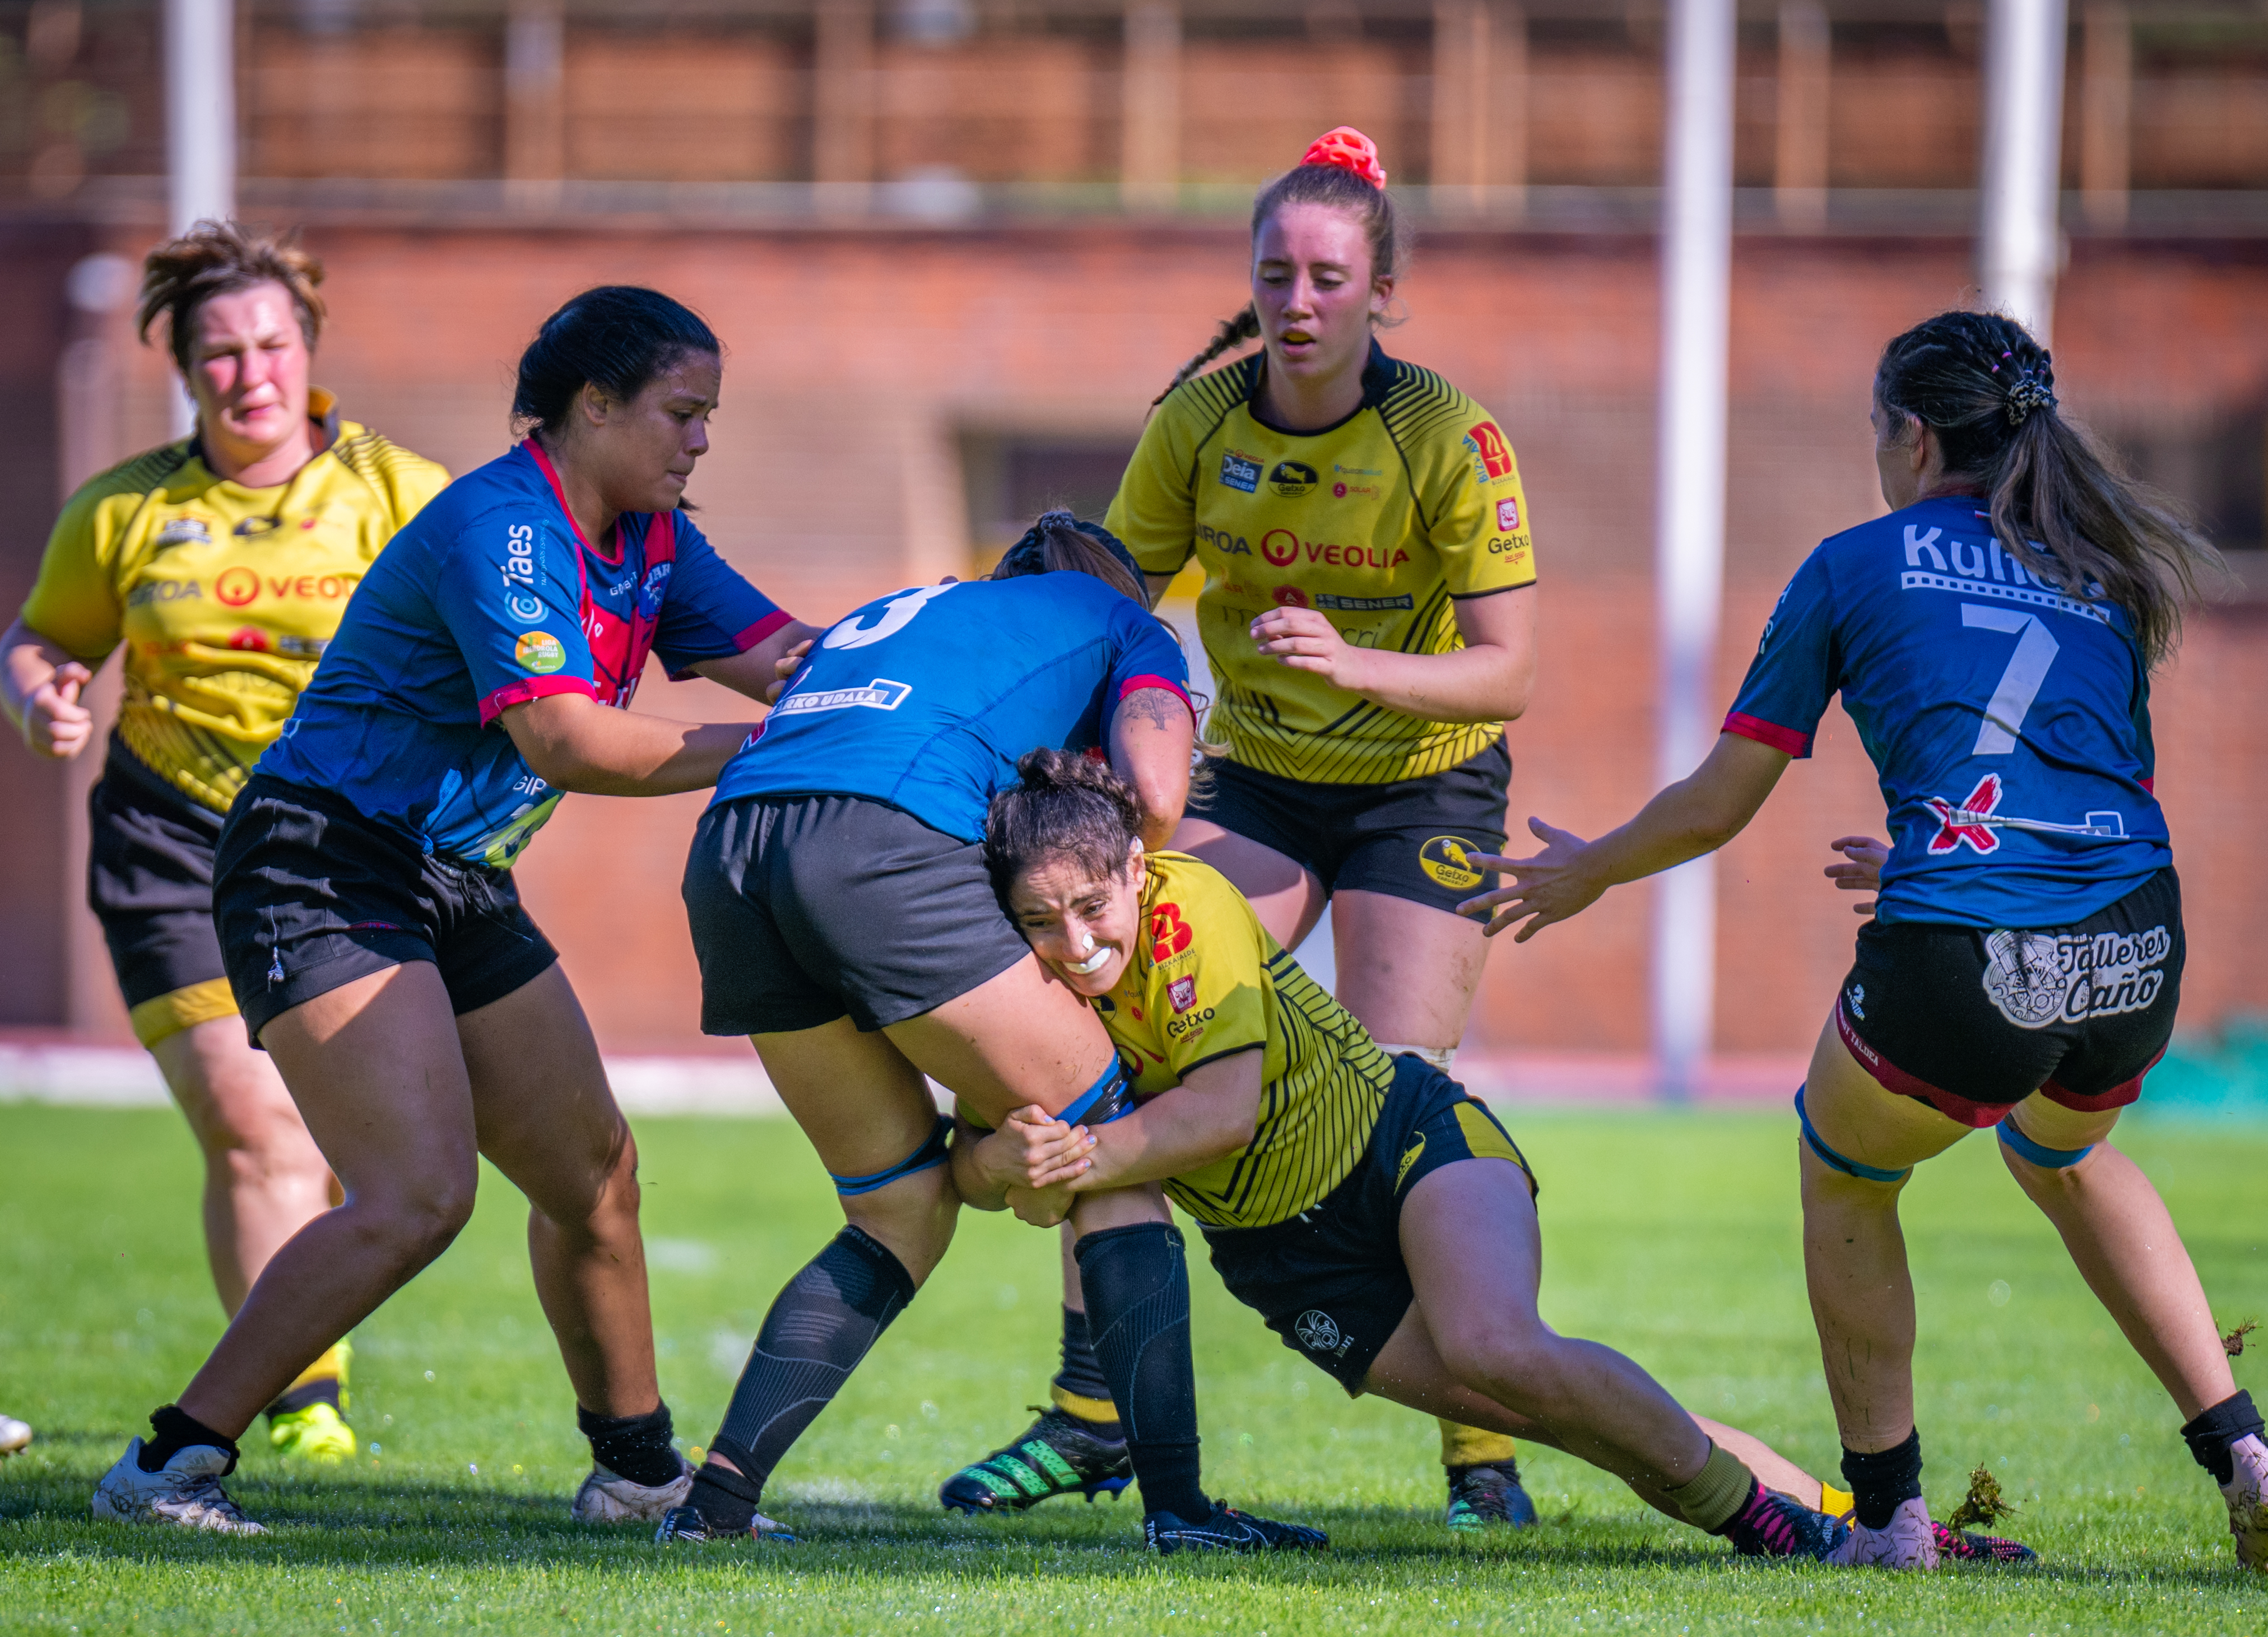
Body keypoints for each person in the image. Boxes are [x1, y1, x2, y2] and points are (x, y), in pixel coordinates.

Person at [1458, 310, 2268, 1574]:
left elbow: (1719, 799)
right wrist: (1929, 862)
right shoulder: (2099, 573)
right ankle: (2246, 1455)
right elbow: (2072, 783)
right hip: (2135, 940)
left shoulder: (1854, 563)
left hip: (1967, 948)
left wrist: (1589, 870)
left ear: (1910, 437)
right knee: (2067, 1158)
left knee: (1843, 1169)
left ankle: (1888, 1521)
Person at [89, 284, 815, 1534]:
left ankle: (639, 1478)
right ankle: (167, 1466)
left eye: (709, 417)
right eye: (681, 414)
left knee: (592, 1175)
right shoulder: (504, 528)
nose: (701, 440)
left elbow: (791, 658)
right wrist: (769, 745)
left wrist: (925, 661)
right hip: (320, 862)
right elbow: (567, 737)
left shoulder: (652, 536)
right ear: (593, 407)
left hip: (452, 873)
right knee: (416, 1196)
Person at [960, 751, 2033, 1565]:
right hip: (1290, 1266)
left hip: (1403, 1144)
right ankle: (1860, 1529)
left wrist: (1070, 1155)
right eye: (1040, 922)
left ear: (1135, 871)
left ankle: (1788, 1532)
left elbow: (1225, 1112)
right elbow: (981, 1173)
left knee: (1498, 1347)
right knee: (1555, 1407)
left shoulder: (1187, 903)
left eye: (1091, 906)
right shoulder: (1026, 991)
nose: (1076, 941)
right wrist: (1009, 1161)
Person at [943, 125, 1546, 1534]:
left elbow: (1508, 670)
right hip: (1257, 778)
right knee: (1112, 1032)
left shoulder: (1445, 435)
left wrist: (1359, 666)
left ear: (1379, 290)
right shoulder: (1201, 423)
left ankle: (1481, 1450)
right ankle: (1094, 1418)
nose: (1299, 300)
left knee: (1403, 1085)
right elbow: (1099, 601)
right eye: (1275, 271)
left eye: (1329, 276)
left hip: (1424, 781)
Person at [660, 513, 1320, 1554]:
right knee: (1112, 1143)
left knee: (898, 1205)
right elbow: (1155, 793)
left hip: (730, 852)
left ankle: (714, 1509)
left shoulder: (901, 610)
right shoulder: (1121, 622)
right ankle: (1184, 1513)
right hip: (878, 835)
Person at [3, 222, 450, 1464]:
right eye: (218, 353)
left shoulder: (397, 495)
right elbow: (40, 639)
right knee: (254, 1125)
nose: (248, 373)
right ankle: (305, 1398)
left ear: (306, 349)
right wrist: (40, 696)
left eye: (269, 345)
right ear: (183, 369)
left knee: (328, 1132)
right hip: (172, 840)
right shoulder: (128, 510)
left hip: (339, 845)